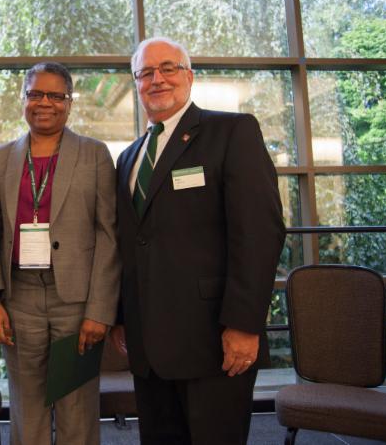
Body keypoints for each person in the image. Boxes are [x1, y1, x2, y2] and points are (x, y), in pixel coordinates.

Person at [112, 37, 285, 444]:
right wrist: (122, 315)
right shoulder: (129, 157)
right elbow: (131, 243)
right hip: (148, 347)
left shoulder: (232, 131)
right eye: (145, 73)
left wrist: (244, 324)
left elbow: (260, 233)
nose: (157, 80)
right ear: (136, 83)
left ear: (189, 76)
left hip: (213, 341)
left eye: (168, 68)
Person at [0, 62, 121, 445]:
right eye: (36, 94)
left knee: (77, 406)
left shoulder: (94, 155)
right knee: (27, 407)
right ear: (24, 99)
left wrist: (99, 309)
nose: (45, 103)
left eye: (56, 95)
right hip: (19, 298)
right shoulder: (1, 158)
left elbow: (108, 235)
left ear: (69, 102)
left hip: (75, 300)